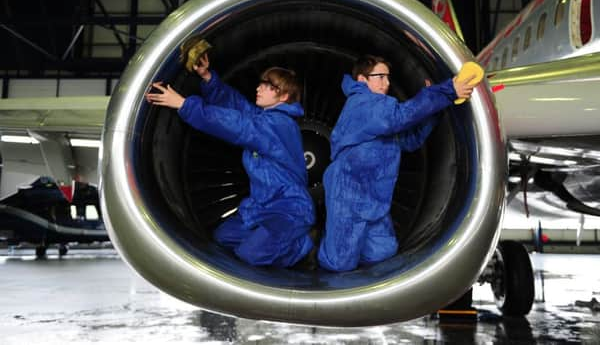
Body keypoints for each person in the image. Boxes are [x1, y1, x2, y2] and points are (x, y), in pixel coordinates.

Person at [145, 47, 315, 268]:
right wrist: (208, 79)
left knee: (251, 255)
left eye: (268, 85)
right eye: (261, 83)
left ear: (284, 96)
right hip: (262, 206)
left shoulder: (278, 125)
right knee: (223, 237)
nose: (259, 87)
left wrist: (184, 105)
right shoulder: (265, 118)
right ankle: (272, 242)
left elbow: (237, 124)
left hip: (289, 209)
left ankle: (303, 245)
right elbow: (236, 107)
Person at [317, 54, 479, 272]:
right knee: (339, 262)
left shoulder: (380, 116)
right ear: (362, 80)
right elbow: (401, 116)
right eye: (380, 76)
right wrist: (447, 91)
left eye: (388, 77)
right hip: (349, 193)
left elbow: (410, 140)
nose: (387, 83)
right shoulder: (363, 102)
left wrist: (436, 108)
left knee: (382, 252)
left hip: (375, 198)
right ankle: (321, 275)